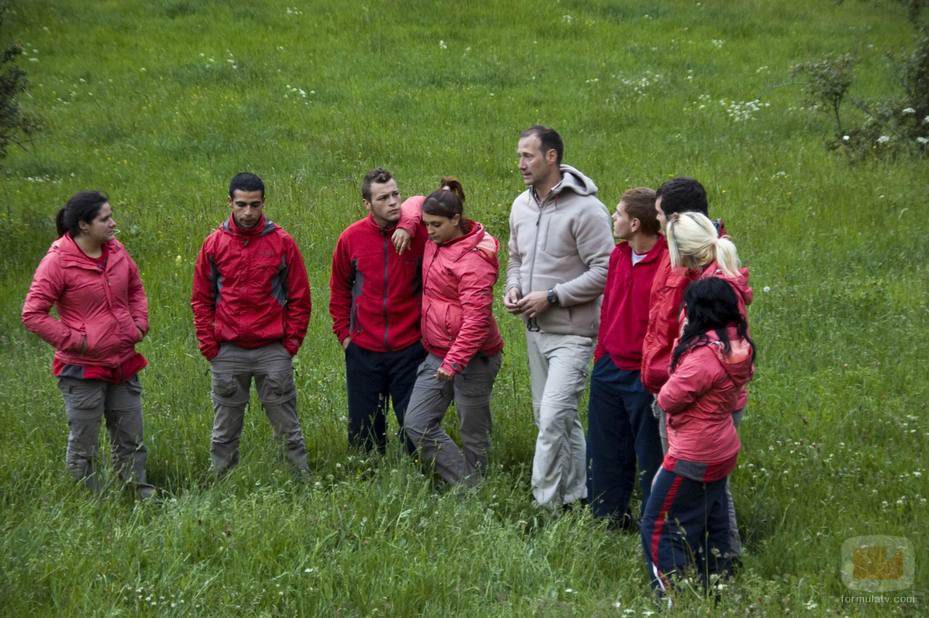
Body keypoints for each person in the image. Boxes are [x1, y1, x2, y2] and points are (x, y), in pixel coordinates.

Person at [503, 125, 614, 508]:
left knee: (552, 419)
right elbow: (515, 258)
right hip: (535, 330)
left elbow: (604, 270)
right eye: (518, 155)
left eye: (528, 155)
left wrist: (551, 297)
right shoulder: (521, 204)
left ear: (552, 157)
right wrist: (513, 289)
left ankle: (543, 504)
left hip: (573, 333)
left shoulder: (587, 209)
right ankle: (577, 494)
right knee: (556, 418)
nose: (520, 163)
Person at [22, 191, 155, 498]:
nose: (113, 223)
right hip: (81, 370)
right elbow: (32, 313)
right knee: (85, 445)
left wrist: (138, 324)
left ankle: (138, 496)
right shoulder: (57, 261)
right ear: (83, 225)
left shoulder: (117, 251)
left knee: (131, 439)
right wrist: (78, 341)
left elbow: (136, 287)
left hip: (122, 360)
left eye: (111, 216)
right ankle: (89, 504)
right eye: (105, 218)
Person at [640, 277, 755, 603]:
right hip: (721, 447)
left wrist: (679, 349)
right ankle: (718, 584)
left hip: (693, 453)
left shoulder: (703, 356)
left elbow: (669, 397)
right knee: (711, 520)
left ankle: (670, 595)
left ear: (699, 311)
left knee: (656, 524)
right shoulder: (735, 345)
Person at [191, 172, 312, 476]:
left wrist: (290, 345)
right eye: (241, 204)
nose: (248, 212)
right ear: (229, 203)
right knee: (224, 433)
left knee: (288, 429)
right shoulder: (214, 245)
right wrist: (210, 347)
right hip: (227, 351)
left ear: (263, 203)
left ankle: (300, 483)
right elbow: (201, 299)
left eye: (254, 205)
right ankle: (221, 484)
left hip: (273, 350)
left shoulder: (282, 243)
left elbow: (300, 297)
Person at [665, 210, 753, 560]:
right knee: (711, 487)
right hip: (714, 395)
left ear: (686, 250)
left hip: (713, 400)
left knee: (713, 488)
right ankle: (715, 557)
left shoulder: (720, 288)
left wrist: (681, 383)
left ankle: (722, 557)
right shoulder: (716, 277)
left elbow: (726, 351)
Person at [402, 182, 503, 487]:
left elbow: (477, 319)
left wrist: (454, 362)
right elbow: (414, 200)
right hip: (437, 351)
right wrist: (408, 226)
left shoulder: (474, 260)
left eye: (436, 225)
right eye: (426, 224)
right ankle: (469, 484)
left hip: (475, 358)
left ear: (456, 219)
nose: (428, 231)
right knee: (416, 423)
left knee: (473, 431)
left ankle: (477, 493)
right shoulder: (436, 240)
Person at [329, 168, 427, 453]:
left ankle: (421, 478)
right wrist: (345, 337)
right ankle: (368, 481)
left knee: (415, 425)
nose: (393, 202)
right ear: (367, 204)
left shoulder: (420, 234)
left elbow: (425, 199)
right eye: (383, 198)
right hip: (363, 349)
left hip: (410, 348)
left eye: (396, 194)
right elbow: (339, 290)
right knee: (364, 434)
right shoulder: (351, 238)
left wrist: (408, 227)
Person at [586, 187, 666, 528]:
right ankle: (607, 516)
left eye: (618, 214)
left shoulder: (666, 260)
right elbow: (609, 309)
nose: (613, 219)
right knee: (604, 448)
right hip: (609, 366)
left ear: (635, 223)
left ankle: (653, 520)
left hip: (644, 373)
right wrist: (601, 354)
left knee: (650, 452)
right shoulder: (619, 255)